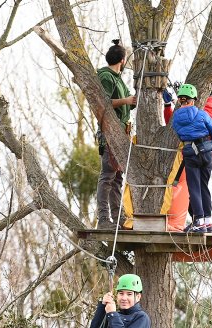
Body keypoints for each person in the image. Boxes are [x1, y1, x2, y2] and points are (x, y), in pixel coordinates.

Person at [95, 40, 137, 230]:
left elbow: (126, 103)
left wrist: (133, 101)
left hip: (122, 132)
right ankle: (104, 219)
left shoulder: (118, 79)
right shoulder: (106, 77)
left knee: (118, 178)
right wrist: (126, 100)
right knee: (107, 176)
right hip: (111, 132)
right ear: (122, 59)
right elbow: (103, 102)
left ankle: (118, 217)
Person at [169, 83, 212, 233]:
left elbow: (180, 135)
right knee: (204, 186)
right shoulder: (201, 114)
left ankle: (198, 220)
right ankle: (207, 221)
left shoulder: (176, 118)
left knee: (194, 188)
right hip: (206, 152)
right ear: (193, 100)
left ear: (180, 100)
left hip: (190, 154)